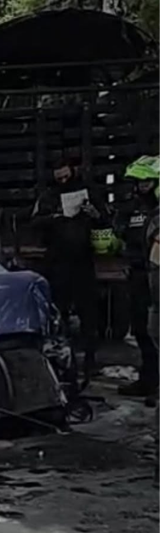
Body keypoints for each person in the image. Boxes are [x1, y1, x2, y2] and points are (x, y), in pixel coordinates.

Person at [33, 158, 109, 383]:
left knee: (88, 312)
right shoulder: (47, 196)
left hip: (83, 260)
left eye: (67, 176)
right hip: (57, 260)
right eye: (60, 178)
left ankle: (90, 360)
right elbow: (35, 222)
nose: (64, 181)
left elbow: (105, 219)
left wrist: (93, 214)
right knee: (59, 312)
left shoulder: (88, 192)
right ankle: (62, 359)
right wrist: (55, 217)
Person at [113, 156, 159, 405]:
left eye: (147, 183)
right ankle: (149, 379)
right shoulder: (132, 209)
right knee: (142, 329)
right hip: (139, 274)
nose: (142, 187)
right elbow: (121, 234)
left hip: (157, 275)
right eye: (139, 183)